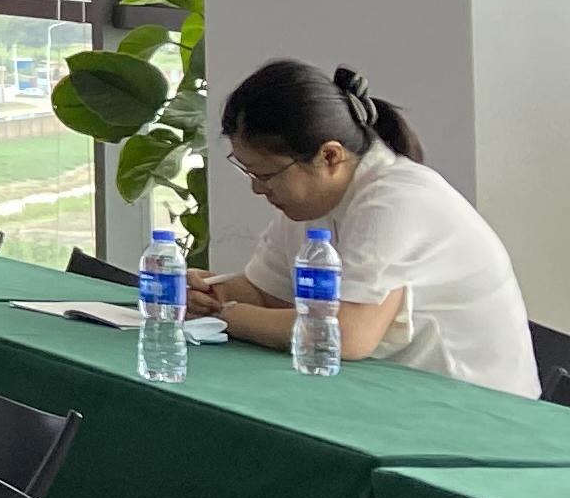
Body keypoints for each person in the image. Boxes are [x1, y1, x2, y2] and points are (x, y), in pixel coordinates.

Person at [196, 62, 534, 395]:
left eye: (266, 175)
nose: (257, 189)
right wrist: (209, 293)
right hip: (398, 392)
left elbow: (345, 334)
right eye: (251, 173)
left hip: (477, 406)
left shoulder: (396, 199)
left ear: (330, 157)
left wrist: (226, 316)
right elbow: (265, 294)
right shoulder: (311, 203)